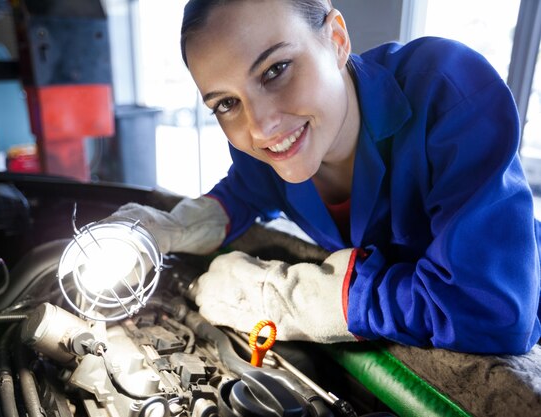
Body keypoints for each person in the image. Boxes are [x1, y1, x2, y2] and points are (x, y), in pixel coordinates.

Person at [108, 0, 541, 354]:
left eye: (275, 70)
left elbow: (490, 311)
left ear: (336, 40)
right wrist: (170, 227)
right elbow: (244, 191)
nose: (260, 127)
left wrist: (296, 299)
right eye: (225, 103)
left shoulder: (448, 91)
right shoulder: (267, 146)